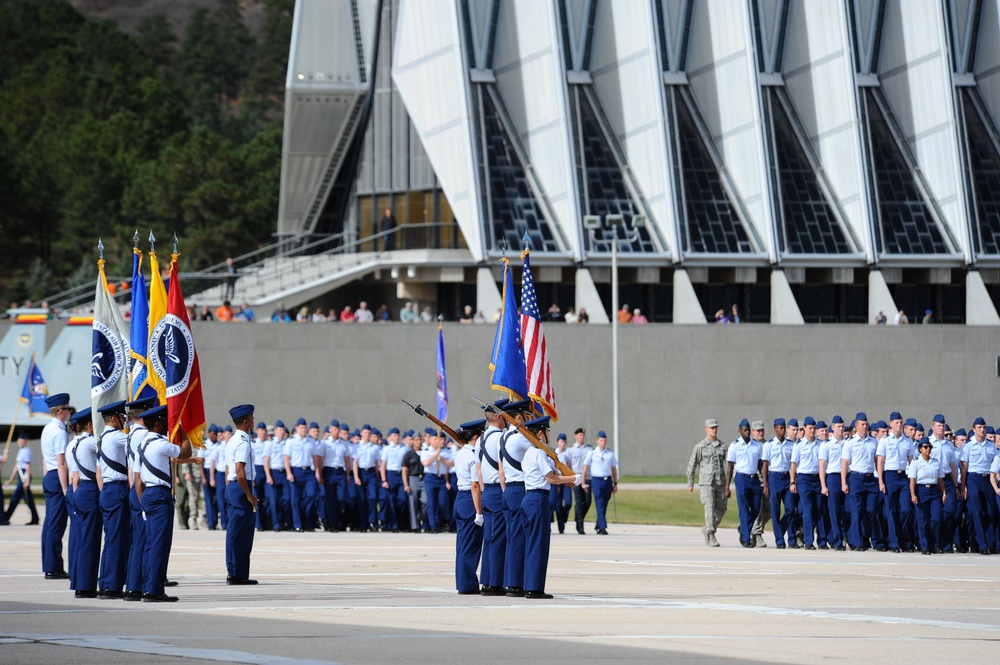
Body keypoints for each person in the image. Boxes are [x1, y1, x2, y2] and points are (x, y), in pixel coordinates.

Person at [136, 405, 194, 602]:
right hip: (160, 495)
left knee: (151, 544)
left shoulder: (142, 443)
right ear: (159, 423)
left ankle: (147, 587)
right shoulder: (161, 444)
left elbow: (138, 478)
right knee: (159, 545)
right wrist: (181, 429)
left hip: (148, 494)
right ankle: (154, 590)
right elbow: (186, 452)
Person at [519, 416, 581, 599]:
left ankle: (528, 584)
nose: (548, 434)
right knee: (538, 544)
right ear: (539, 433)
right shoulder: (538, 453)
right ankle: (534, 588)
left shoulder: (529, 453)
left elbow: (550, 472)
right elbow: (551, 478)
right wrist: (572, 478)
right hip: (538, 498)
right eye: (546, 431)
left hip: (529, 497)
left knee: (531, 544)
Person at [96, 400, 132, 598]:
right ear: (113, 418)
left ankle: (107, 582)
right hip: (117, 489)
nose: (125, 420)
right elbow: (139, 442)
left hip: (109, 490)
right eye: (122, 417)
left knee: (111, 539)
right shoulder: (117, 437)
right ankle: (112, 585)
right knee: (117, 540)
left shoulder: (102, 438)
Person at [69, 407, 102, 598]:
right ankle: (85, 586)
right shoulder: (90, 443)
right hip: (90, 490)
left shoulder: (75, 443)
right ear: (90, 424)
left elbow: (74, 475)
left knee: (82, 540)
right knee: (90, 541)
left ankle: (80, 582)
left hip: (81, 490)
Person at [225, 404, 259, 585]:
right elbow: (239, 470)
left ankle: (236, 572)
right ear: (245, 422)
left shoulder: (233, 439)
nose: (254, 421)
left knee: (235, 532)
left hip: (234, 487)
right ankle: (237, 574)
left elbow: (229, 469)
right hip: (240, 488)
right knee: (241, 534)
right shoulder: (243, 441)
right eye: (252, 418)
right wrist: (249, 494)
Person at [41, 392, 72, 580]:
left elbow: (47, 459)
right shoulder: (59, 431)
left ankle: (50, 564)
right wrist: (66, 488)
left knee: (49, 523)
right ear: (60, 411)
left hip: (50, 476)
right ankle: (54, 567)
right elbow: (61, 463)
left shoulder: (47, 428)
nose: (70, 412)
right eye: (67, 409)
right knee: (56, 524)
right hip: (57, 476)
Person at [477, 401, 507, 595]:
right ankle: (495, 583)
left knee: (489, 537)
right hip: (497, 490)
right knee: (498, 538)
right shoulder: (501, 438)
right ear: (498, 416)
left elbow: (479, 470)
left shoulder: (480, 439)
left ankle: (487, 580)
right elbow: (502, 468)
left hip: (487, 490)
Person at [453, 419, 485, 594]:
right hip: (469, 499)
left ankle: (462, 582)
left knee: (462, 544)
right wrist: (479, 511)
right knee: (470, 545)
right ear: (476, 436)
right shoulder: (473, 456)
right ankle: (468, 585)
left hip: (460, 498)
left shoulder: (460, 453)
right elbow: (475, 486)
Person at [686, 419, 728, 547]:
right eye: (711, 428)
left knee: (721, 509)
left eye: (715, 427)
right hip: (706, 483)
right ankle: (710, 534)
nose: (714, 430)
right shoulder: (700, 447)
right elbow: (692, 465)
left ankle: (708, 528)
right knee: (709, 507)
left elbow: (730, 464)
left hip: (720, 482)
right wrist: (690, 483)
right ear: (706, 429)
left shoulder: (723, 446)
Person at [841, 412, 879, 551]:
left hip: (870, 479)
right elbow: (844, 463)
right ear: (856, 426)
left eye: (866, 424)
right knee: (856, 511)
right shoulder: (850, 443)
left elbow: (877, 461)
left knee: (871, 509)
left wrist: (879, 479)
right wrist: (844, 482)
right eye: (862, 424)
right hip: (856, 478)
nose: (864, 427)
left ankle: (863, 536)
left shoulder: (874, 441)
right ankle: (857, 543)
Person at [876, 412, 913, 553]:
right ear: (891, 424)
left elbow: (911, 461)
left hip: (903, 477)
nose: (899, 425)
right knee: (891, 511)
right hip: (889, 476)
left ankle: (903, 538)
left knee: (906, 510)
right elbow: (880, 462)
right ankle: (894, 542)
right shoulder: (885, 441)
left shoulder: (907, 441)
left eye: (900, 422)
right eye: (896, 422)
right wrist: (881, 481)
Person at [959, 417, 996, 555]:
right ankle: (982, 544)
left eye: (984, 427)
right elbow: (963, 468)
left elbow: (995, 464)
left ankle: (989, 542)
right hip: (973, 478)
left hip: (987, 479)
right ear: (974, 429)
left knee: (991, 511)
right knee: (977, 511)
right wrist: (963, 487)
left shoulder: (991, 446)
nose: (982, 430)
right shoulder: (968, 446)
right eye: (979, 427)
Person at [726, 418, 764, 547]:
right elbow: (730, 467)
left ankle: (743, 528)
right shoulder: (735, 445)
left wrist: (765, 483)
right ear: (740, 431)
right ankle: (746, 540)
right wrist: (727, 487)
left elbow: (760, 465)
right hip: (741, 478)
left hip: (754, 479)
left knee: (756, 508)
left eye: (748, 430)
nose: (747, 432)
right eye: (745, 430)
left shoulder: (757, 445)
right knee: (744, 509)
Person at [790, 417, 825, 549]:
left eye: (814, 428)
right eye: (809, 428)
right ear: (804, 429)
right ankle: (809, 541)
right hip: (804, 479)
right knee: (808, 508)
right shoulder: (798, 445)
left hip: (817, 479)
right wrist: (792, 482)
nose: (812, 430)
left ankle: (817, 538)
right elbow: (793, 465)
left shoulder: (820, 445)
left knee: (819, 509)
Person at [761, 417, 796, 548]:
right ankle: (779, 540)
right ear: (775, 429)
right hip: (774, 477)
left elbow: (793, 464)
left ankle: (780, 531)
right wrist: (765, 484)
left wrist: (793, 481)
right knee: (775, 510)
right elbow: (765, 465)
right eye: (780, 428)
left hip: (787, 478)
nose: (782, 431)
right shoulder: (769, 445)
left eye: (783, 428)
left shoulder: (791, 445)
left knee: (790, 509)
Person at [909, 438, 946, 554]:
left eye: (929, 447)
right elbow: (912, 480)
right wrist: (913, 494)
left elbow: (940, 479)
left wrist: (944, 492)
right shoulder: (915, 463)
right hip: (921, 490)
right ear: (920, 449)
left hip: (934, 491)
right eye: (925, 447)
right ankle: (925, 546)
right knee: (922, 520)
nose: (928, 449)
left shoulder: (936, 462)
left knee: (936, 518)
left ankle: (935, 544)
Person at [581, 431, 618, 535]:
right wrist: (583, 482)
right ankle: (602, 527)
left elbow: (614, 469)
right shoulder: (592, 453)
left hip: (607, 481)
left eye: (605, 440)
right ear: (597, 441)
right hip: (596, 480)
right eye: (601, 440)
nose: (603, 442)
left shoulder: (610, 454)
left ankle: (598, 524)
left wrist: (615, 483)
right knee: (600, 503)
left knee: (604, 504)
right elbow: (585, 467)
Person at [4, 432, 39, 524]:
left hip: (25, 475)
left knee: (15, 498)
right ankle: (35, 518)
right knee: (28, 499)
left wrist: (27, 481)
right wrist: (10, 480)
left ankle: (6, 517)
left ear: (26, 441)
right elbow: (17, 466)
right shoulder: (20, 451)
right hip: (21, 475)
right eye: (19, 441)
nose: (20, 442)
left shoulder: (27, 451)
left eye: (22, 441)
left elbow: (27, 466)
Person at [565, 427, 592, 535]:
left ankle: (578, 517)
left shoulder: (589, 449)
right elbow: (568, 464)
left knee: (587, 501)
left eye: (583, 435)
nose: (582, 437)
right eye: (580, 435)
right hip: (576, 477)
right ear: (576, 436)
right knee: (579, 502)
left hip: (588, 477)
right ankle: (580, 526)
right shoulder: (570, 450)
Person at [550, 433, 572, 534]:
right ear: (558, 442)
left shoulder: (568, 453)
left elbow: (569, 467)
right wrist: (557, 484)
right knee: (557, 505)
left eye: (564, 442)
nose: (563, 444)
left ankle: (563, 518)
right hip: (558, 481)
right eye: (561, 442)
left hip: (566, 482)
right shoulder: (554, 453)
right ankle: (561, 528)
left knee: (568, 503)